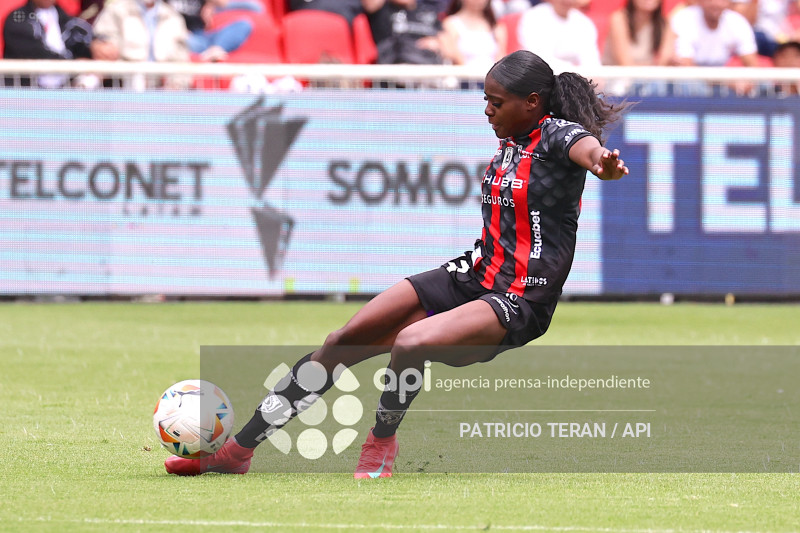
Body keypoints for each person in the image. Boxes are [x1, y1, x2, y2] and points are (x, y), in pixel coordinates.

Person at [163, 49, 629, 479]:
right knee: (340, 342)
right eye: (485, 100)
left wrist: (602, 164)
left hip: (519, 297)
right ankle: (236, 452)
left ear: (531, 102)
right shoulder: (510, 138)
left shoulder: (556, 135)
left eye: (496, 102)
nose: (487, 110)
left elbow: (587, 150)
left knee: (411, 342)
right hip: (472, 275)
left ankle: (380, 442)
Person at [91, 0, 191, 88]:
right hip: (123, 86)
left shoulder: (173, 17)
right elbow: (104, 45)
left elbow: (181, 60)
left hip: (161, 90)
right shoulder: (116, 10)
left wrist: (175, 85)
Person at [3, 0, 93, 87]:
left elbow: (84, 44)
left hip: (64, 90)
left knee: (91, 80)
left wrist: (94, 49)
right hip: (25, 91)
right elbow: (33, 52)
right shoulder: (17, 17)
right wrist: (72, 64)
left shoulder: (67, 20)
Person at [660, 0, 759, 66]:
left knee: (762, 86)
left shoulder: (738, 22)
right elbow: (687, 68)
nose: (717, 4)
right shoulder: (684, 19)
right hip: (691, 84)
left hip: (720, 81)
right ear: (701, 2)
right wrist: (727, 81)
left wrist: (745, 80)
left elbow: (753, 65)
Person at [165, 0, 261, 62]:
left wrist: (209, 6)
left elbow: (256, 7)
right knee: (180, 40)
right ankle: (212, 53)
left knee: (244, 24)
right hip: (182, 37)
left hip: (204, 36)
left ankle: (215, 50)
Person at [517, 0, 601, 68]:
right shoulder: (533, 17)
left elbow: (591, 61)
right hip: (538, 79)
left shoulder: (584, 23)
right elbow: (538, 58)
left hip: (572, 82)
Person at [362, 0, 446, 64]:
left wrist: (438, 45)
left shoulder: (428, 12)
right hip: (393, 74)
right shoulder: (382, 9)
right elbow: (369, 5)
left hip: (429, 72)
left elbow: (451, 49)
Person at [440, 0, 508, 71]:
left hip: (491, 77)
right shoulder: (451, 24)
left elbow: (501, 57)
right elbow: (453, 55)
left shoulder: (496, 26)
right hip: (464, 77)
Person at [603, 0, 666, 65]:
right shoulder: (619, 19)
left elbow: (663, 61)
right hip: (615, 73)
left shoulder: (662, 23)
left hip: (647, 73)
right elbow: (625, 64)